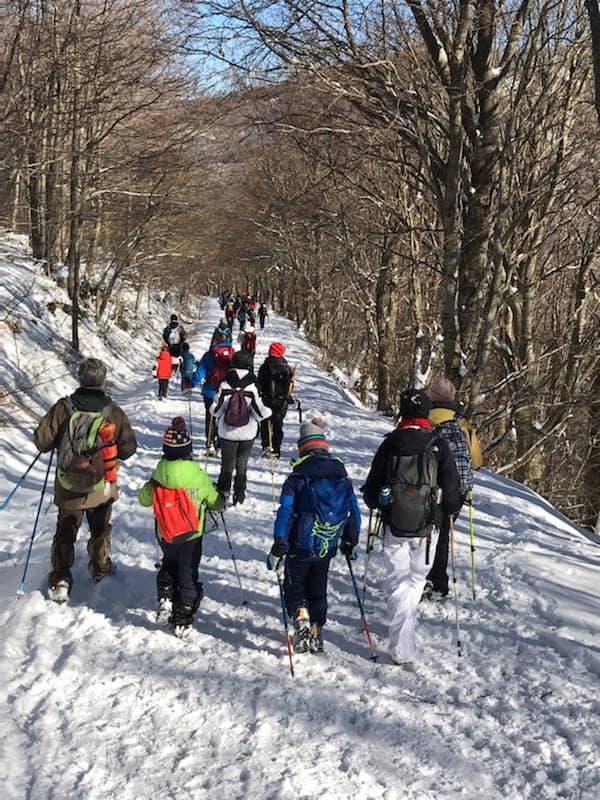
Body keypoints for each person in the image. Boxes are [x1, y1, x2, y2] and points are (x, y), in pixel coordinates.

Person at [361, 388, 460, 667]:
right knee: (415, 581)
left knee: (397, 581)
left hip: (394, 524)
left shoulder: (390, 444)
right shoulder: (439, 445)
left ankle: (401, 639)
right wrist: (448, 510)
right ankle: (403, 639)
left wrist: (379, 500)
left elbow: (370, 492)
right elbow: (452, 492)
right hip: (429, 527)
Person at [33, 358, 137, 603]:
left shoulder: (64, 407)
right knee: (100, 528)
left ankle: (60, 578)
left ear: (80, 379)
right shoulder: (112, 411)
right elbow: (129, 448)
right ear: (103, 381)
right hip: (101, 485)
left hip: (68, 485)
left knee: (65, 529)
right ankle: (100, 567)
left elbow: (41, 441)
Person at [267, 420, 361, 653]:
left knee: (296, 584)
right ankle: (317, 630)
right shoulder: (342, 479)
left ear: (302, 449)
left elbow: (285, 512)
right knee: (318, 587)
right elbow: (354, 514)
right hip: (326, 545)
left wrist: (280, 543)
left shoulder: (296, 479)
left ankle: (300, 617)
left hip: (299, 545)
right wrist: (350, 541)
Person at [138, 417, 225, 635]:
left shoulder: (158, 475)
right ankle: (183, 615)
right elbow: (215, 501)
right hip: (191, 534)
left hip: (165, 533)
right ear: (188, 450)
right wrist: (220, 498)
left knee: (169, 563)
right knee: (188, 571)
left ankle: (166, 595)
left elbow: (144, 499)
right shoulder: (197, 475)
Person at [423, 377, 482, 598]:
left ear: (430, 396)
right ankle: (439, 581)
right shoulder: (463, 424)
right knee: (444, 535)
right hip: (456, 493)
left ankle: (422, 577)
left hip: (428, 488)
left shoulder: (424, 420)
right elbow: (476, 462)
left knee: (425, 532)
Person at [210, 351, 271, 505]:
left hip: (227, 433)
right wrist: (268, 412)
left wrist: (214, 408)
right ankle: (239, 494)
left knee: (227, 465)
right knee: (242, 464)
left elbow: (216, 411)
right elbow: (259, 413)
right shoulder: (252, 386)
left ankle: (223, 493)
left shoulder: (225, 383)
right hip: (247, 432)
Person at [191, 331, 235, 454]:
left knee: (210, 417)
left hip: (210, 391)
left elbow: (199, 374)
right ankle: (220, 445)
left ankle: (209, 443)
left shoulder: (209, 355)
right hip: (226, 392)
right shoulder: (232, 354)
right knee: (223, 417)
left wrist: (192, 382)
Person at [257, 342, 294, 458]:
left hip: (266, 399)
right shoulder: (286, 367)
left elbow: (259, 383)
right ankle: (276, 448)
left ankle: (266, 446)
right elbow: (289, 385)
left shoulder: (265, 366)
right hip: (281, 401)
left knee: (265, 423)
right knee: (278, 425)